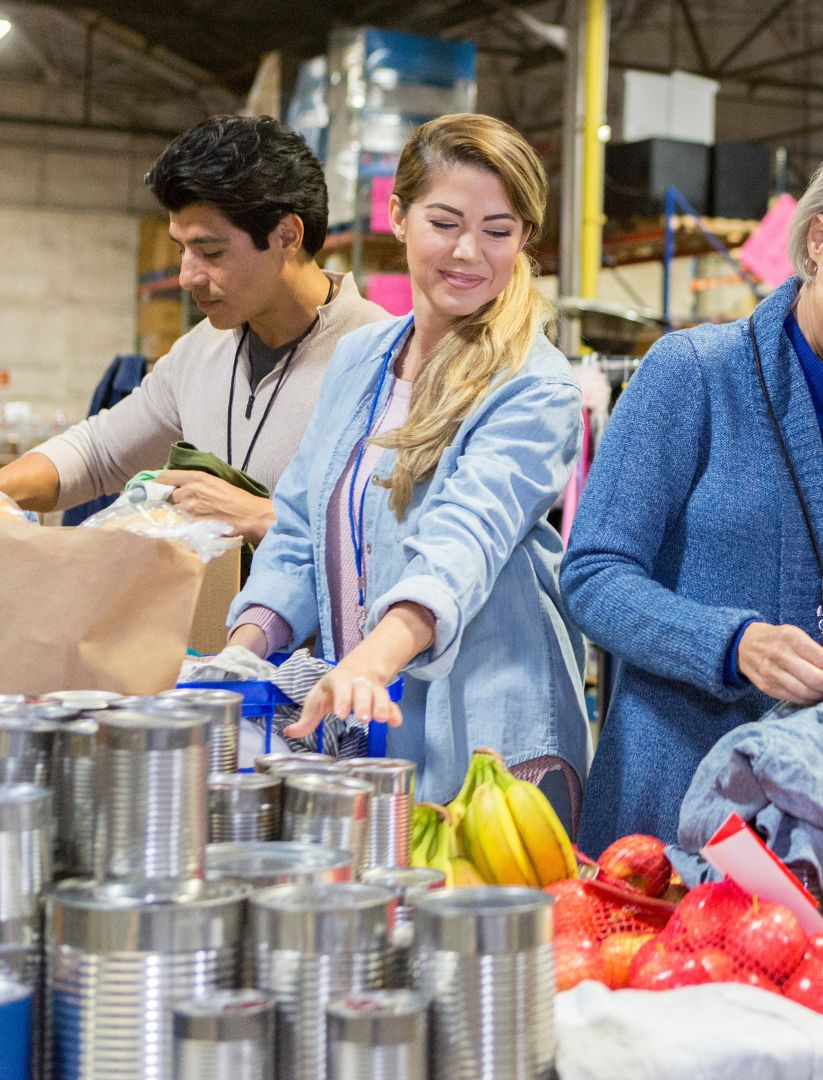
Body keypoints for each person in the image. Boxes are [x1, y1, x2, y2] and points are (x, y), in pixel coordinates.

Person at [563, 128, 823, 849]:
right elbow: (594, 576)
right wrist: (733, 644)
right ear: (818, 239)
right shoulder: (692, 373)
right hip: (674, 799)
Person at [224, 114, 587, 800]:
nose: (470, 252)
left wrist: (371, 660)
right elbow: (302, 521)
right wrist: (244, 649)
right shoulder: (362, 358)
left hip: (490, 742)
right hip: (369, 710)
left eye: (498, 231)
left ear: (524, 241)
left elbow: (463, 544)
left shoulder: (534, 385)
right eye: (445, 222)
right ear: (398, 214)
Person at [0, 115, 390, 538]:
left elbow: (395, 534)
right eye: (182, 249)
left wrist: (266, 517)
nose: (188, 276)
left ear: (286, 236)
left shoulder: (386, 363)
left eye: (210, 251)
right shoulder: (200, 352)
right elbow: (97, 454)